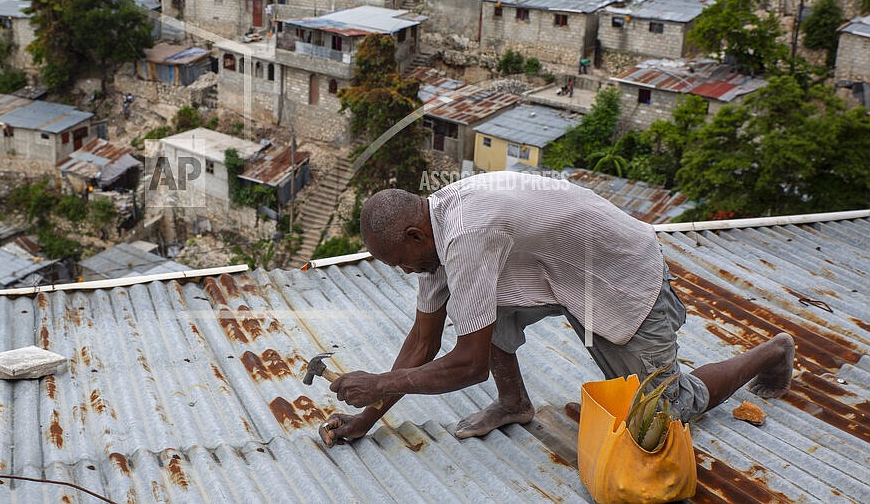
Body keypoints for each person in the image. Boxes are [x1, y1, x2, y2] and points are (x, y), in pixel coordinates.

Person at [322, 172, 795, 444]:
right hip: (558, 271)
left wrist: (379, 382)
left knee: (669, 409)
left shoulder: (466, 234)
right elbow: (424, 341)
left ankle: (772, 351)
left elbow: (468, 367)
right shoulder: (434, 235)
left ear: (414, 236)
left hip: (614, 272)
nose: (404, 271)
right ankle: (514, 404)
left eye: (400, 262)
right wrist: (364, 421)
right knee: (480, 314)